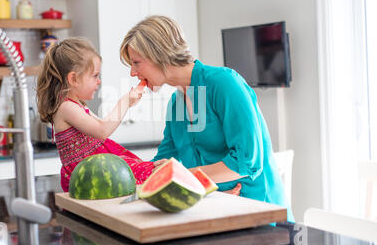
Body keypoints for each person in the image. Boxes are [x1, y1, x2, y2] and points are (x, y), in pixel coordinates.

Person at [119, 15, 294, 222]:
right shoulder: (176, 104)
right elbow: (163, 163)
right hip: (217, 212)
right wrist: (124, 172)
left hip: (261, 217)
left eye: (137, 63)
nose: (132, 72)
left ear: (159, 54)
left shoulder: (224, 83)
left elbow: (247, 161)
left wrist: (185, 175)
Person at [36, 37, 154, 192]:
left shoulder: (78, 105)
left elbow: (104, 124)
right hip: (87, 177)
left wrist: (129, 103)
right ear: (73, 79)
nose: (99, 81)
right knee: (150, 174)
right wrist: (124, 101)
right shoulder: (66, 108)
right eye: (95, 76)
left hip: (98, 170)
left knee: (154, 169)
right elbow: (102, 130)